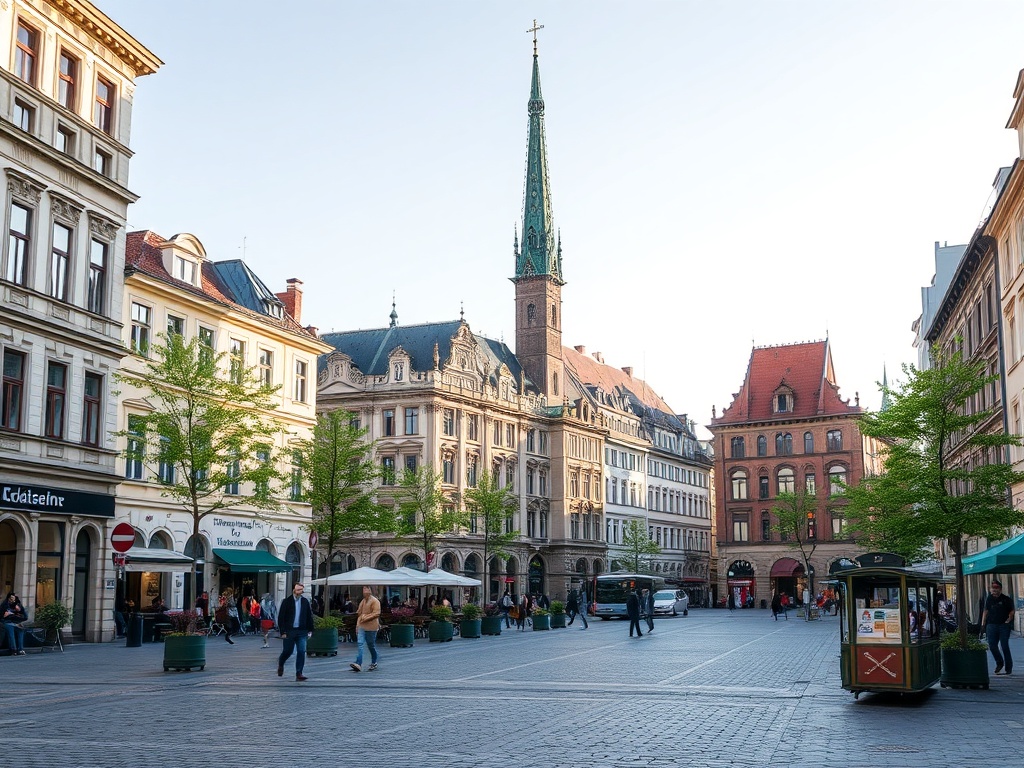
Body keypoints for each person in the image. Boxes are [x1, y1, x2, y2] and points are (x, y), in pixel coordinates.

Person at [277, 582, 314, 681]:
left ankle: (299, 673)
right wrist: (283, 632)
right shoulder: (286, 602)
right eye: (298, 590)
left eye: (301, 590)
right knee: (287, 651)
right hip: (289, 631)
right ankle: (281, 663)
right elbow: (281, 618)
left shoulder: (305, 602)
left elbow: (309, 616)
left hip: (302, 631)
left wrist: (310, 630)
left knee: (301, 651)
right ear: (294, 590)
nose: (299, 592)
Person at [981, 579, 1015, 675]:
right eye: (993, 589)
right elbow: (986, 611)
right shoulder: (989, 599)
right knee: (992, 646)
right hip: (991, 625)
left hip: (1003, 626)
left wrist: (1009, 619)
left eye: (996, 588)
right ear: (990, 589)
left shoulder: (1006, 599)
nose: (994, 591)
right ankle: (999, 662)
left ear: (1000, 589)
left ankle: (1009, 667)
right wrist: (983, 624)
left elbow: (1012, 611)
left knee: (1004, 646)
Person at [350, 585, 381, 672]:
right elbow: (359, 614)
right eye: (363, 588)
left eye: (367, 588)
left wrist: (365, 617)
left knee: (371, 646)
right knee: (360, 644)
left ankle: (374, 661)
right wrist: (357, 625)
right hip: (362, 626)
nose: (365, 590)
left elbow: (376, 613)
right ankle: (358, 663)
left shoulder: (375, 601)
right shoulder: (363, 601)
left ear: (371, 590)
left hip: (372, 627)